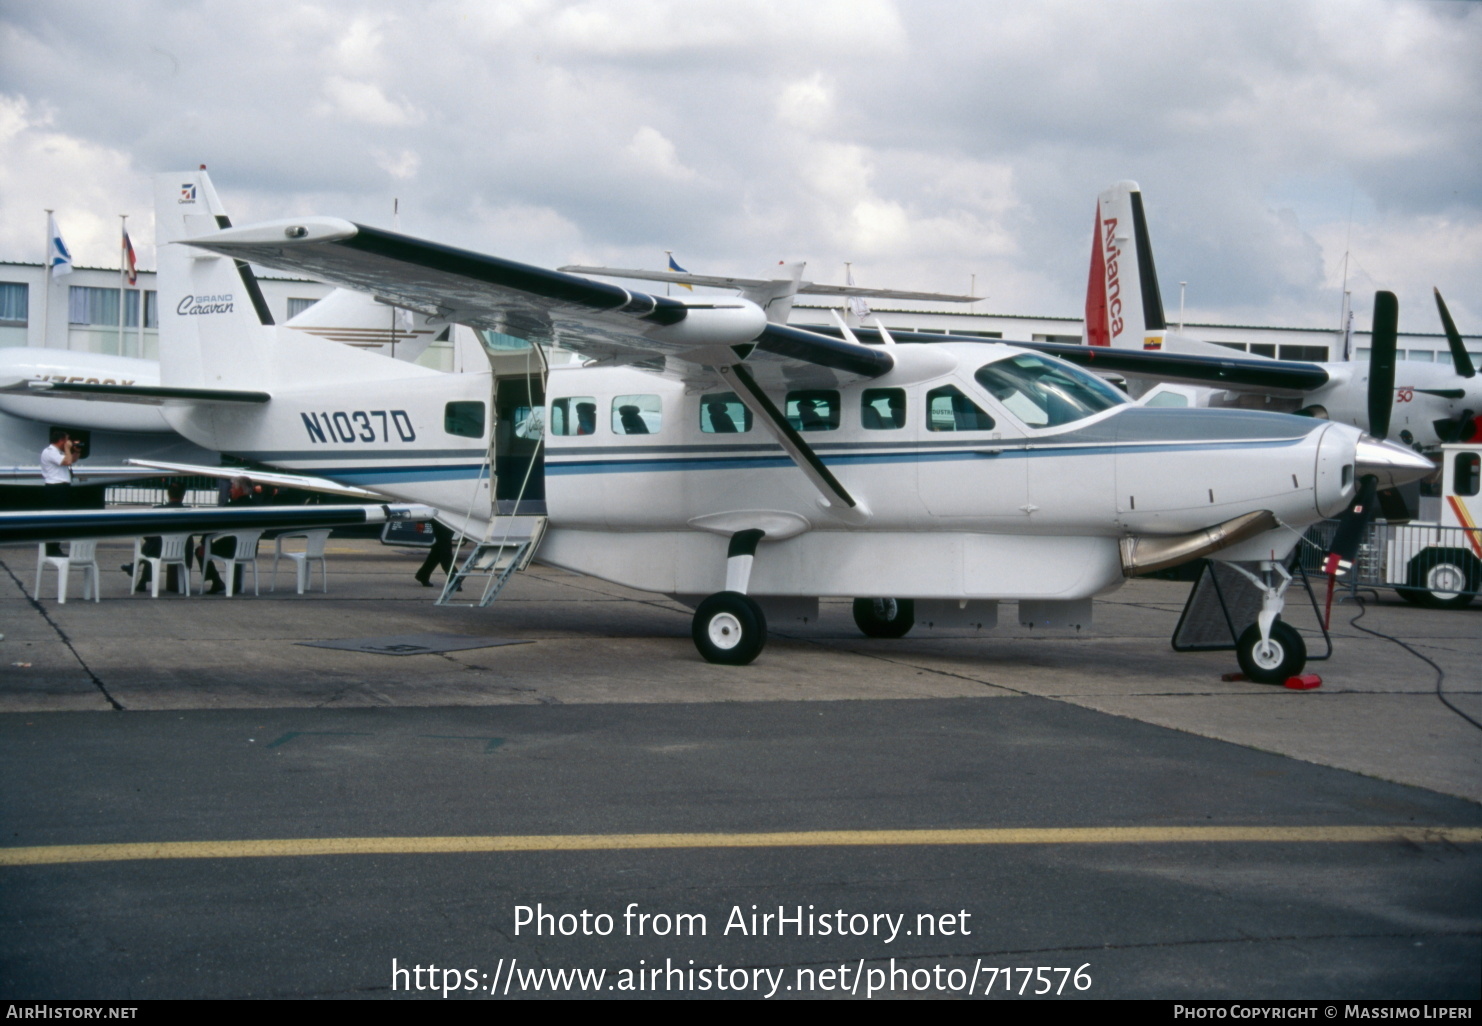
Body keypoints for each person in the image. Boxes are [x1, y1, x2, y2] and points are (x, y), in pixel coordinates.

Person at [122, 481, 189, 593]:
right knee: (156, 542)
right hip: (181, 551)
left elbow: (146, 533)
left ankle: (137, 570)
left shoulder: (158, 510)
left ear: (168, 494)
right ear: (183, 495)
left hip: (158, 551)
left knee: (154, 542)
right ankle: (140, 578)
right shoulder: (190, 511)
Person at [202, 476, 255, 595]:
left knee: (200, 551)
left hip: (231, 548)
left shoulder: (231, 507)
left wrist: (204, 542)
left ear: (240, 490)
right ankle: (234, 584)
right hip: (251, 549)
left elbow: (214, 527)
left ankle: (216, 581)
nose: (230, 490)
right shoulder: (256, 506)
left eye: (232, 488)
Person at [40, 429, 81, 555]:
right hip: (55, 488)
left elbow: (72, 460)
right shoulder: (50, 452)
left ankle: (55, 546)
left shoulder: (58, 452)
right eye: (67, 440)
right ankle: (51, 549)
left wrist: (77, 451)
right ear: (62, 440)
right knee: (54, 520)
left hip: (61, 487)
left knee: (60, 520)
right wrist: (69, 449)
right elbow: (67, 461)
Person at [415, 520, 455, 589]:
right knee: (445, 549)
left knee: (438, 549)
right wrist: (421, 521)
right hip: (440, 518)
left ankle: (423, 574)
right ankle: (454, 579)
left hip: (450, 518)